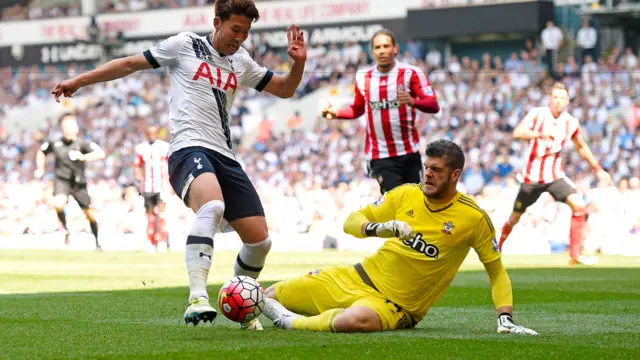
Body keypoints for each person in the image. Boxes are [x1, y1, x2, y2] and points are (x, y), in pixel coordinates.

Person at [51, 0, 307, 330]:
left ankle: (242, 303)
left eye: (246, 32)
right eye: (235, 30)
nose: (240, 38)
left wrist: (298, 64)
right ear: (217, 22)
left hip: (224, 156)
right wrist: (80, 81)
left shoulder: (240, 61)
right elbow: (130, 63)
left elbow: (285, 88)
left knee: (260, 241)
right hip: (188, 149)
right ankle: (197, 297)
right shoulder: (186, 44)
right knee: (212, 205)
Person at [262, 139, 537, 335]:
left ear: (455, 175)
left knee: (351, 321)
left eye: (437, 170)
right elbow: (351, 222)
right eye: (427, 167)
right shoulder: (406, 193)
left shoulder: (473, 218)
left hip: (395, 306)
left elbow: (496, 271)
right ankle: (256, 314)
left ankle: (289, 322)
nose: (428, 174)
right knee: (267, 295)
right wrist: (381, 228)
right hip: (356, 276)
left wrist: (505, 317)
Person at [498, 82, 613, 266]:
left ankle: (574, 255)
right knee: (514, 217)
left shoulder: (570, 122)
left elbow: (581, 147)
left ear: (567, 101)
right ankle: (499, 248)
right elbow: (518, 133)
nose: (558, 101)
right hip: (531, 179)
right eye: (555, 97)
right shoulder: (538, 114)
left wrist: (598, 169)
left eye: (562, 98)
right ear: (550, 99)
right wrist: (538, 133)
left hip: (554, 177)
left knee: (578, 205)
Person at [321, 28, 440, 194]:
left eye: (386, 46)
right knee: (397, 199)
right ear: (372, 51)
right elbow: (357, 109)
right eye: (378, 47)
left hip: (409, 153)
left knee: (416, 204)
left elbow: (433, 105)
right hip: (380, 156)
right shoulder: (364, 77)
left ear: (395, 48)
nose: (382, 51)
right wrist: (336, 113)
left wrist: (413, 101)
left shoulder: (411, 73)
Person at [34, 114, 106, 251]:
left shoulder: (82, 143)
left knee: (89, 214)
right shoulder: (55, 143)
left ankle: (97, 242)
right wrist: (40, 168)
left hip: (79, 183)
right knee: (58, 203)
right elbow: (41, 152)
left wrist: (84, 156)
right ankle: (66, 229)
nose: (67, 129)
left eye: (70, 126)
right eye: (65, 127)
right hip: (62, 181)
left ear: (76, 128)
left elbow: (100, 153)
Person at [135, 125, 170, 252]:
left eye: (154, 132)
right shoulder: (140, 148)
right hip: (148, 187)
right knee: (150, 214)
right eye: (149, 133)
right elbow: (138, 166)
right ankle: (151, 240)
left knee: (161, 214)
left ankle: (162, 240)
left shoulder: (164, 147)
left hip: (162, 186)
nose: (152, 135)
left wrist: (170, 183)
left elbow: (169, 165)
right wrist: (138, 183)